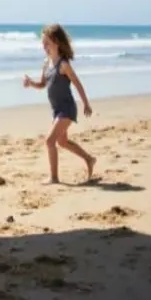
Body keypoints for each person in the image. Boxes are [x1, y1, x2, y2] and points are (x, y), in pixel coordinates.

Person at [23, 23, 97, 184]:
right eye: (42, 43)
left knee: (49, 141)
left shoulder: (63, 64)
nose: (44, 46)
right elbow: (43, 85)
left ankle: (54, 178)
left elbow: (77, 83)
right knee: (62, 142)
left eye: (47, 43)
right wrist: (31, 84)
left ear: (56, 42)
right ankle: (89, 159)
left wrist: (86, 103)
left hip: (67, 109)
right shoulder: (46, 63)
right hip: (56, 110)